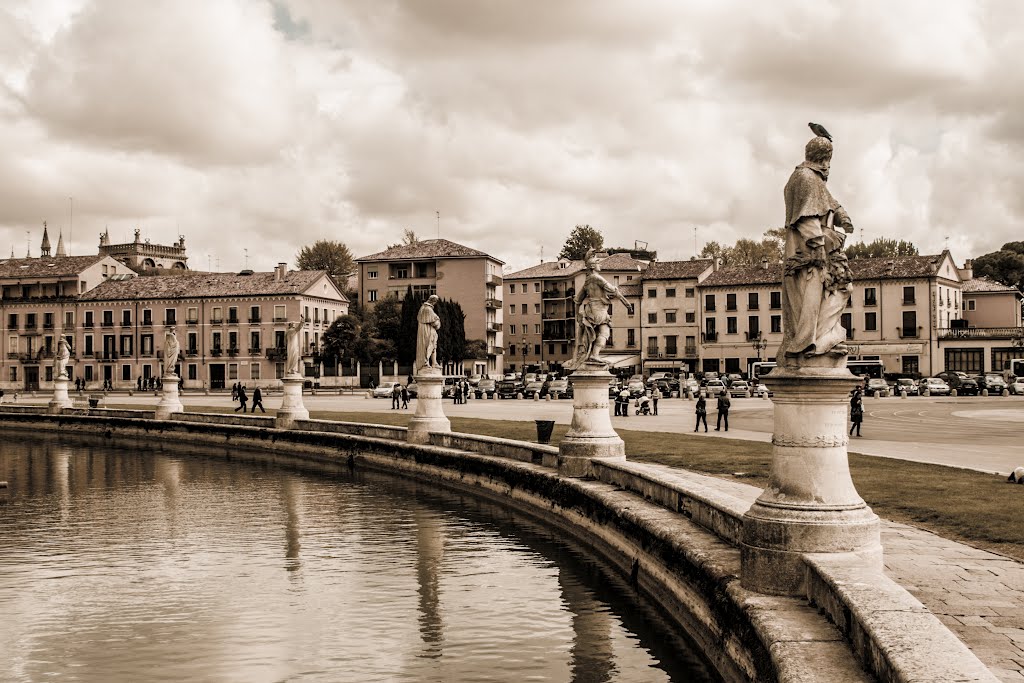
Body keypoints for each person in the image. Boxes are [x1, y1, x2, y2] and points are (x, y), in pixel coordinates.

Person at [779, 133, 855, 368]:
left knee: (837, 290)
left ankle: (822, 338)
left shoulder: (809, 178)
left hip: (814, 253)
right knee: (815, 298)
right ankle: (811, 343)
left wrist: (842, 215)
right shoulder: (805, 177)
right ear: (824, 159)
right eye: (829, 161)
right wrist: (819, 246)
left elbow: (828, 201)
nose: (829, 167)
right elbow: (806, 217)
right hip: (811, 256)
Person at [566, 249, 632, 369]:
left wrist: (577, 315)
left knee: (593, 335)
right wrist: (625, 302)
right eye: (598, 262)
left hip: (589, 311)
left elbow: (577, 300)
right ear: (593, 266)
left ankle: (590, 355)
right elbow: (613, 290)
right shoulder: (597, 278)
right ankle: (595, 355)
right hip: (600, 311)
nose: (600, 265)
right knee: (604, 333)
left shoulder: (587, 281)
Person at [416, 296, 441, 373]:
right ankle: (426, 363)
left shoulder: (423, 308)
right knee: (429, 346)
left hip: (426, 330)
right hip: (427, 330)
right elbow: (435, 322)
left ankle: (434, 363)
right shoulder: (428, 309)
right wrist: (438, 321)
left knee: (433, 346)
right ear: (433, 301)